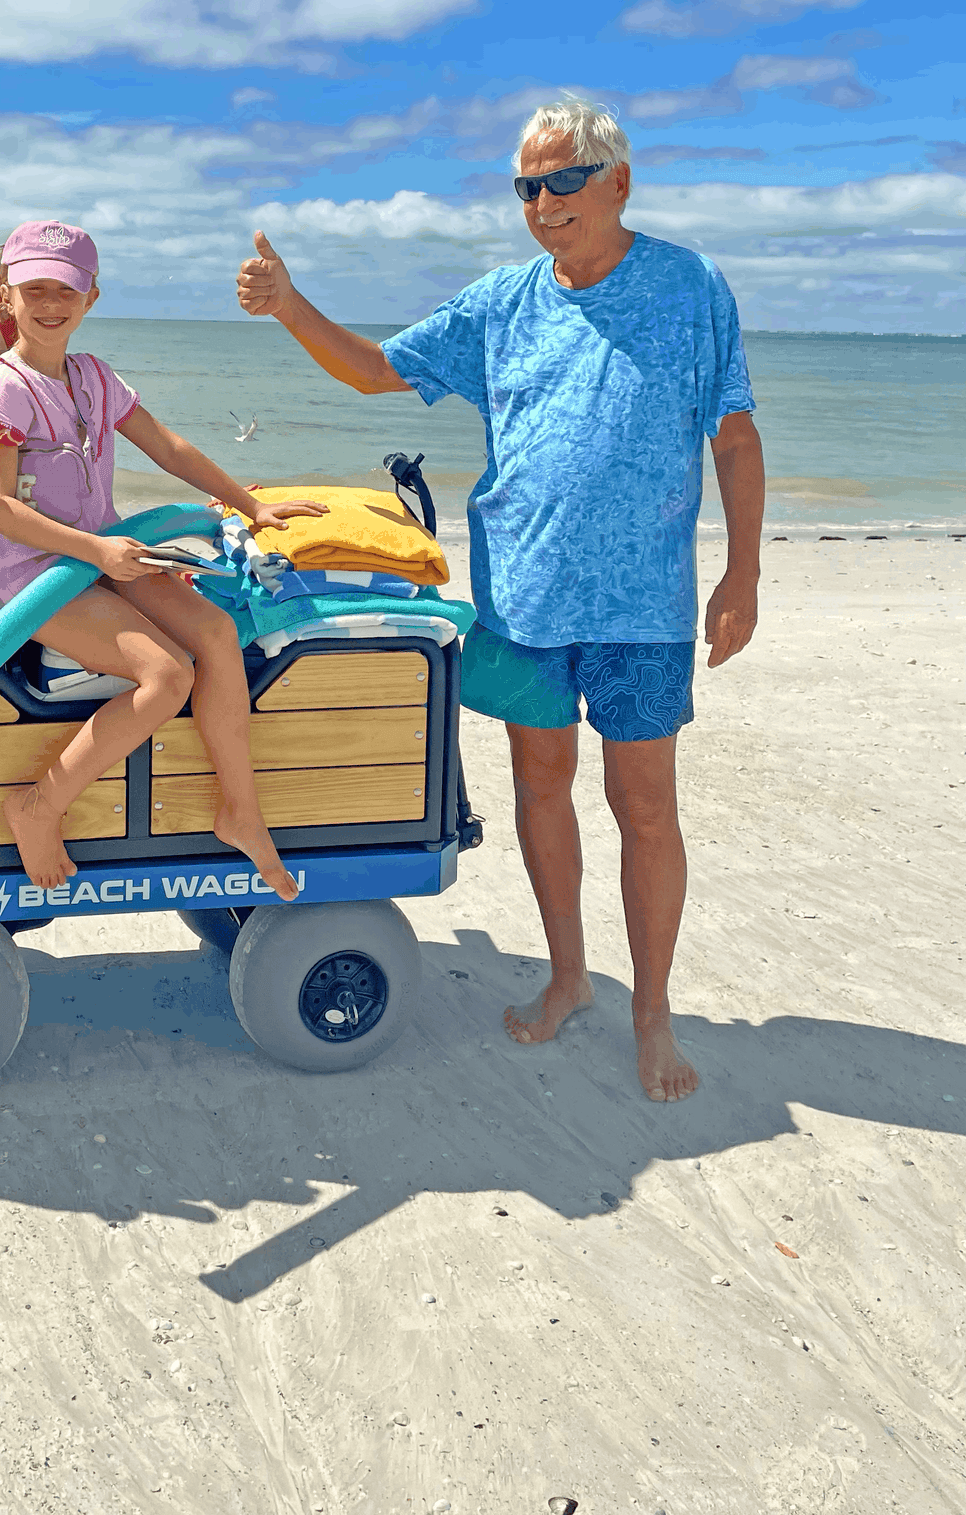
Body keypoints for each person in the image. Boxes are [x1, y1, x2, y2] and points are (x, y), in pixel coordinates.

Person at [236, 101, 765, 1102]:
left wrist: (741, 573)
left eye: (562, 180)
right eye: (526, 186)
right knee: (539, 788)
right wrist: (291, 306)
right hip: (521, 595)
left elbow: (731, 435)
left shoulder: (688, 286)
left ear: (617, 181)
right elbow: (374, 372)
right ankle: (568, 977)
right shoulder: (498, 304)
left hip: (643, 605)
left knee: (644, 807)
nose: (542, 202)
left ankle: (652, 1013)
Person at [0, 218, 326, 900]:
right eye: (33, 287)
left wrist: (250, 504)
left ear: (90, 297)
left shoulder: (94, 377)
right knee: (166, 675)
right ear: (6, 296)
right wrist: (97, 549)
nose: (49, 302)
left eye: (64, 288)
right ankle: (39, 805)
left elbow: (169, 447)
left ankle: (240, 812)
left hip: (110, 555)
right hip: (41, 578)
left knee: (217, 632)